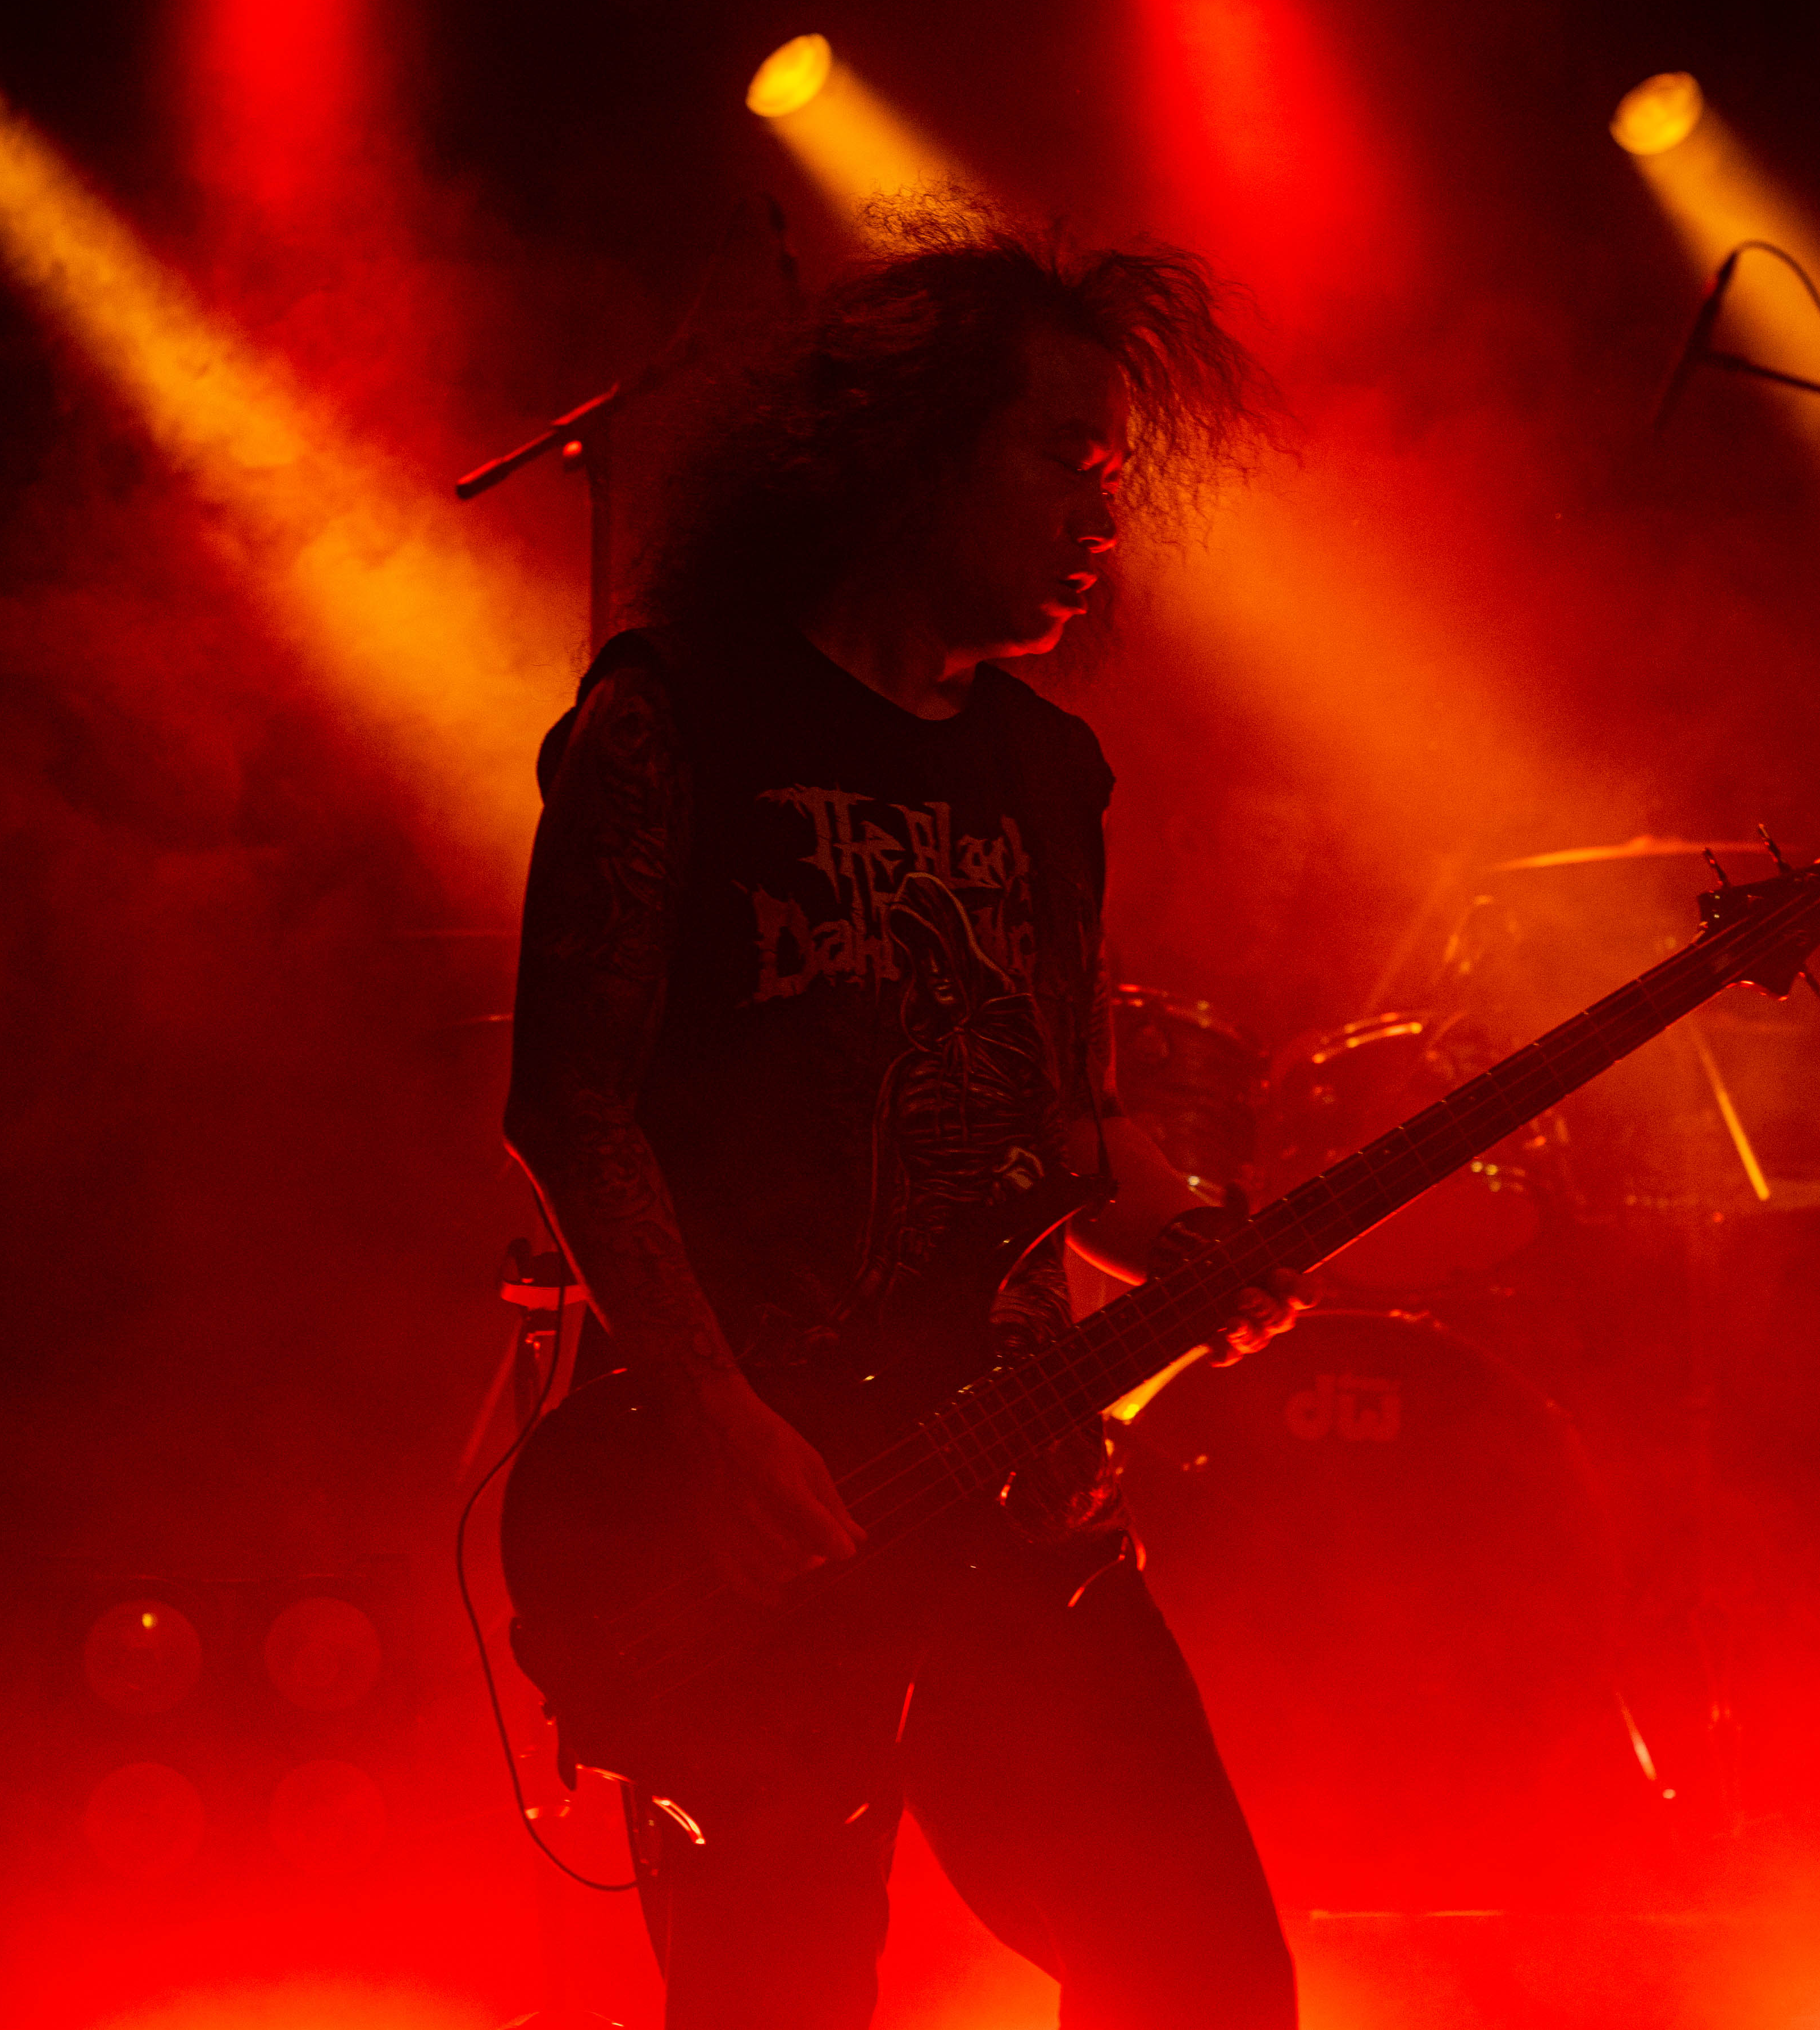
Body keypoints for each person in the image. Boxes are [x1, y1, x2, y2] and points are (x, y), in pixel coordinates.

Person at [501, 196, 1303, 2030]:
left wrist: (1190, 1240)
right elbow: (569, 1103)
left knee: (1202, 1978)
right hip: (753, 1517)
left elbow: (1073, 1128)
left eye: (1116, 479)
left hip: (1020, 1506)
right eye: (1063, 462)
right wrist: (717, 1422)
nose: (1102, 522)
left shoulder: (1047, 772)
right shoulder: (679, 717)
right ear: (912, 452)